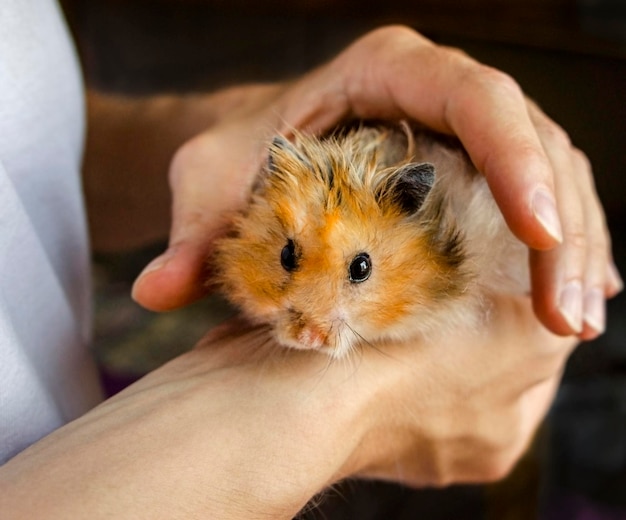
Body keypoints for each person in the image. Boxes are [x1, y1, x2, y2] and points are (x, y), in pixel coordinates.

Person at [0, 1, 621, 518]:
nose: (314, 322)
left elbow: (34, 141)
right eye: (291, 258)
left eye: (358, 270)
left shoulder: (439, 239)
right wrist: (317, 423)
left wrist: (218, 121)